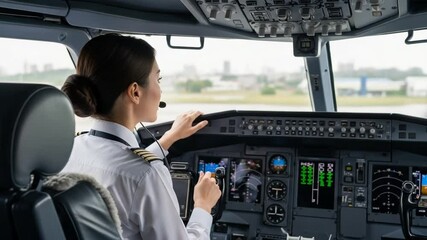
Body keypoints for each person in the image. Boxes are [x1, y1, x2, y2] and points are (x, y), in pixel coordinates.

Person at [60, 33, 221, 240]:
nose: (160, 90)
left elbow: (121, 164)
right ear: (135, 92)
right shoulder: (148, 175)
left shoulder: (71, 148)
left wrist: (169, 138)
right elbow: (135, 171)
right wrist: (203, 207)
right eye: (158, 79)